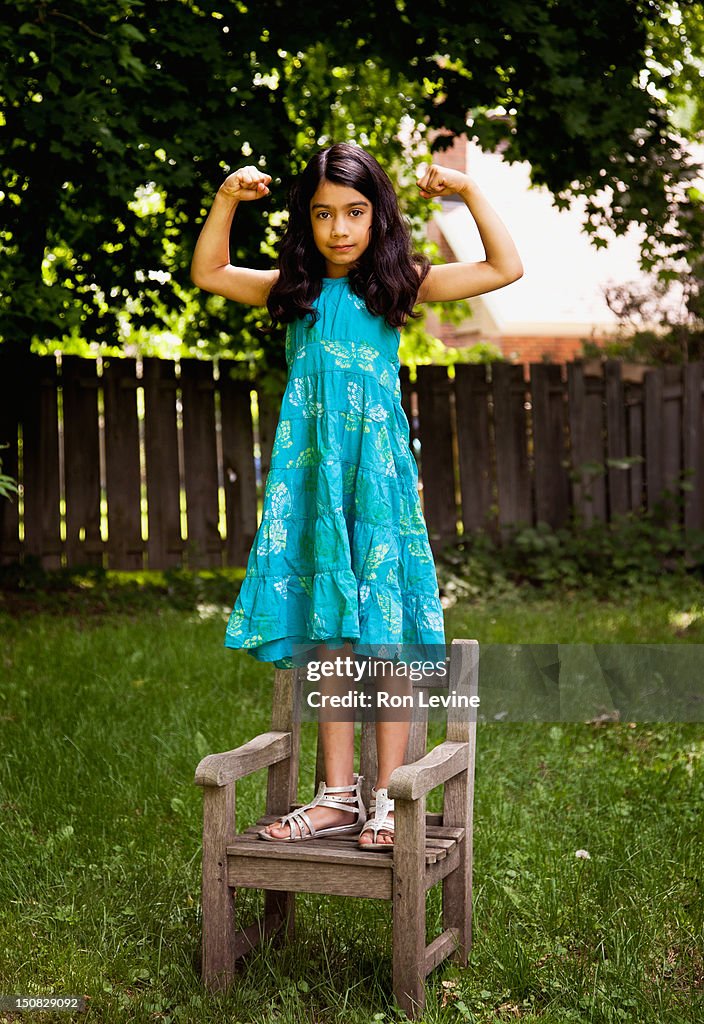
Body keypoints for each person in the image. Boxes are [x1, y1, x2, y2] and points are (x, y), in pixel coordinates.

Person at [191, 142, 523, 848]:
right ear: (305, 221)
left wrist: (465, 189)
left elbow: (506, 267)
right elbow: (209, 271)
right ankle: (336, 797)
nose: (339, 228)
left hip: (375, 484)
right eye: (323, 214)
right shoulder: (294, 290)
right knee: (331, 635)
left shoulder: (396, 286)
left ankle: (383, 799)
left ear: (378, 216)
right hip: (312, 482)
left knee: (385, 636)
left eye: (354, 212)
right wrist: (225, 198)